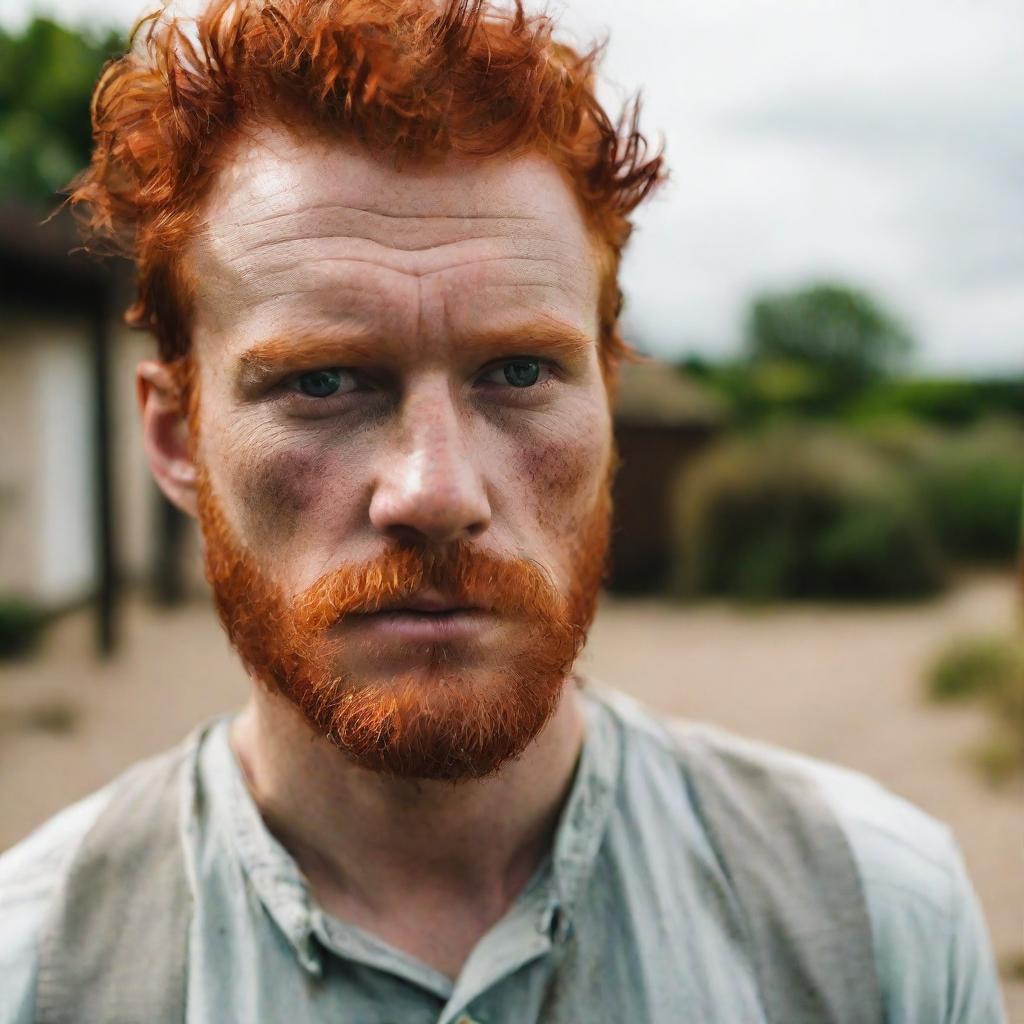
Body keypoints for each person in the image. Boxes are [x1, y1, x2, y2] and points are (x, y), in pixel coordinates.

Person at [0, 1, 1006, 1021]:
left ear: (609, 407)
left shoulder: (881, 920)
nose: (436, 491)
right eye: (321, 382)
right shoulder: (35, 970)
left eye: (518, 371)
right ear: (176, 437)